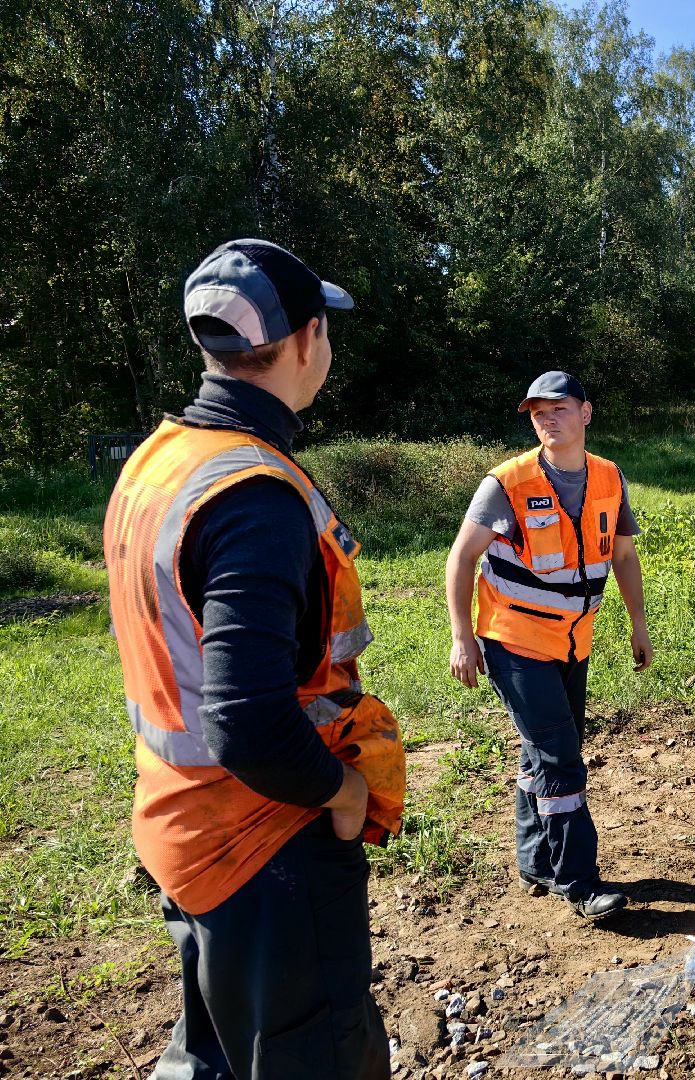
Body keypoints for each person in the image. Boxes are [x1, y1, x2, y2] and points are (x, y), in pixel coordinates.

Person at [103, 239, 405, 1079]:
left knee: (211, 1054)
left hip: (182, 828)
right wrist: (347, 791)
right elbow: (244, 719)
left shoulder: (161, 462)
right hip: (266, 842)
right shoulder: (255, 496)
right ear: (306, 339)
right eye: (327, 333)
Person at [445, 371, 652, 921]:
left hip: (571, 639)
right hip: (513, 641)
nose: (546, 419)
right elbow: (462, 557)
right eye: (537, 412)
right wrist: (462, 637)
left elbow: (624, 557)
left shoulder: (609, 477)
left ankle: (536, 860)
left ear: (586, 413)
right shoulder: (506, 483)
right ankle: (580, 882)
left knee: (542, 750)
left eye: (557, 408)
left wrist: (638, 622)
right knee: (561, 759)